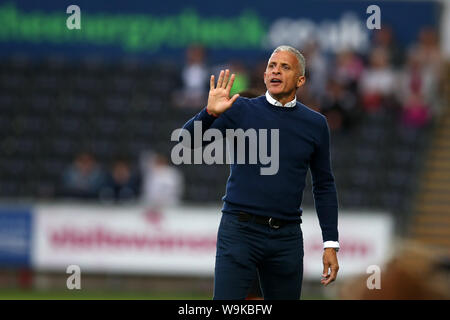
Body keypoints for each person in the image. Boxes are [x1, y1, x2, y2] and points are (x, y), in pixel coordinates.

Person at [180, 45, 340, 300]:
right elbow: (186, 142)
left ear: (301, 79)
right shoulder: (240, 109)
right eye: (271, 67)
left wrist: (330, 243)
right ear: (265, 76)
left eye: (285, 67)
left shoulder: (316, 124)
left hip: (286, 238)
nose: (276, 71)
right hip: (240, 231)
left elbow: (324, 185)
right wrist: (209, 114)